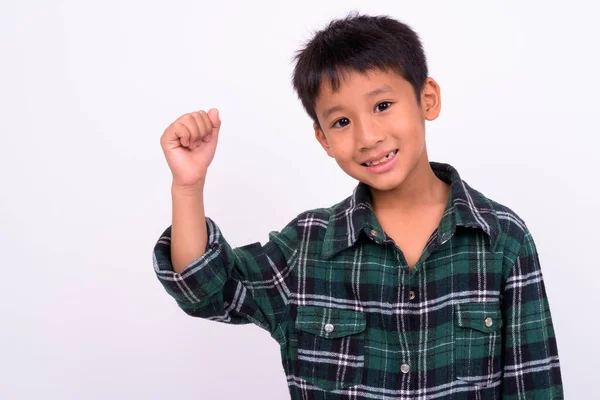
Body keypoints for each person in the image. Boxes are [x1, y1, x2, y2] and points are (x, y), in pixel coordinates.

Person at [153, 13, 563, 399]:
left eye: (382, 105)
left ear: (427, 99)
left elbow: (535, 384)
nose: (367, 136)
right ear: (323, 139)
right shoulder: (307, 247)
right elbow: (204, 290)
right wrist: (188, 186)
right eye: (342, 122)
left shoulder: (503, 239)